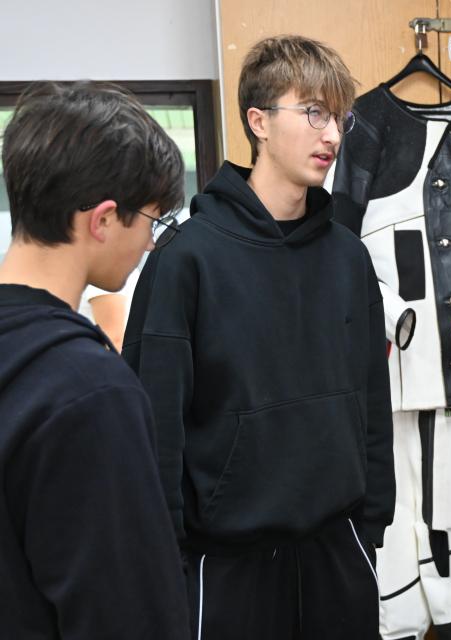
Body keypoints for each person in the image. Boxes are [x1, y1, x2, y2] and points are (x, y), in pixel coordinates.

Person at [122, 35, 394, 640]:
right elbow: (155, 425)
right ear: (259, 121)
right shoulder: (186, 259)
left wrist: (371, 528)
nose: (332, 135)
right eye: (314, 112)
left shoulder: (348, 257)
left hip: (339, 553)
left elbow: (372, 401)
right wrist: (166, 556)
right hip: (226, 565)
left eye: (340, 118)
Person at [0, 81, 189, 638]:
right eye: (152, 222)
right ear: (103, 220)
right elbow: (127, 613)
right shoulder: (90, 391)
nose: (150, 244)